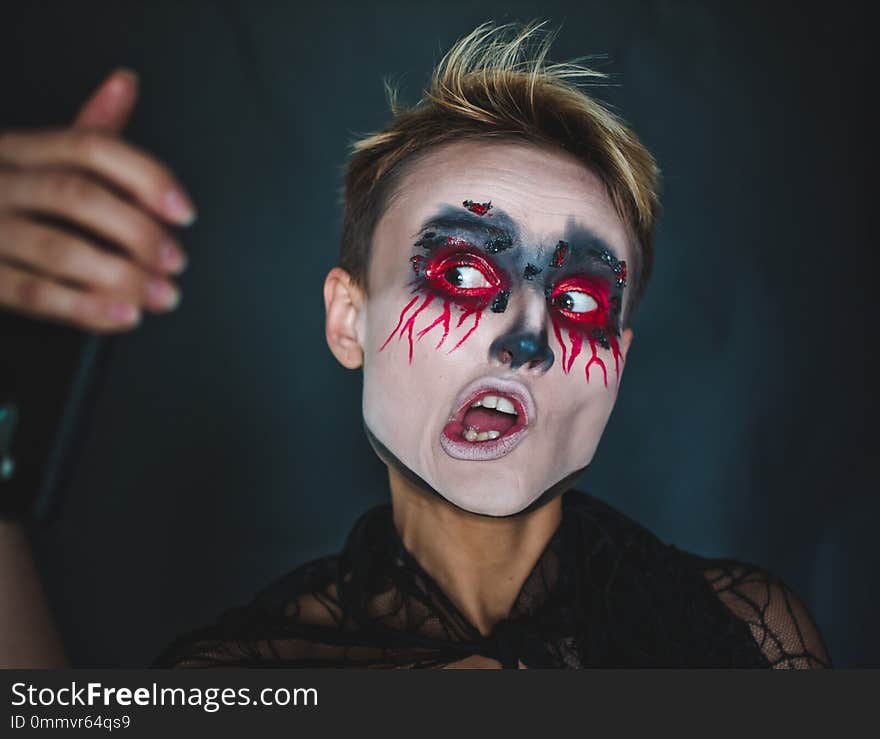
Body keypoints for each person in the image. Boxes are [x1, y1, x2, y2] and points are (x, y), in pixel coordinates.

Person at [0, 23, 831, 668]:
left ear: (620, 364)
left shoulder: (749, 633)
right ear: (347, 320)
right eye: (466, 276)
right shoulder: (247, 671)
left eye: (580, 299)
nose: (529, 338)